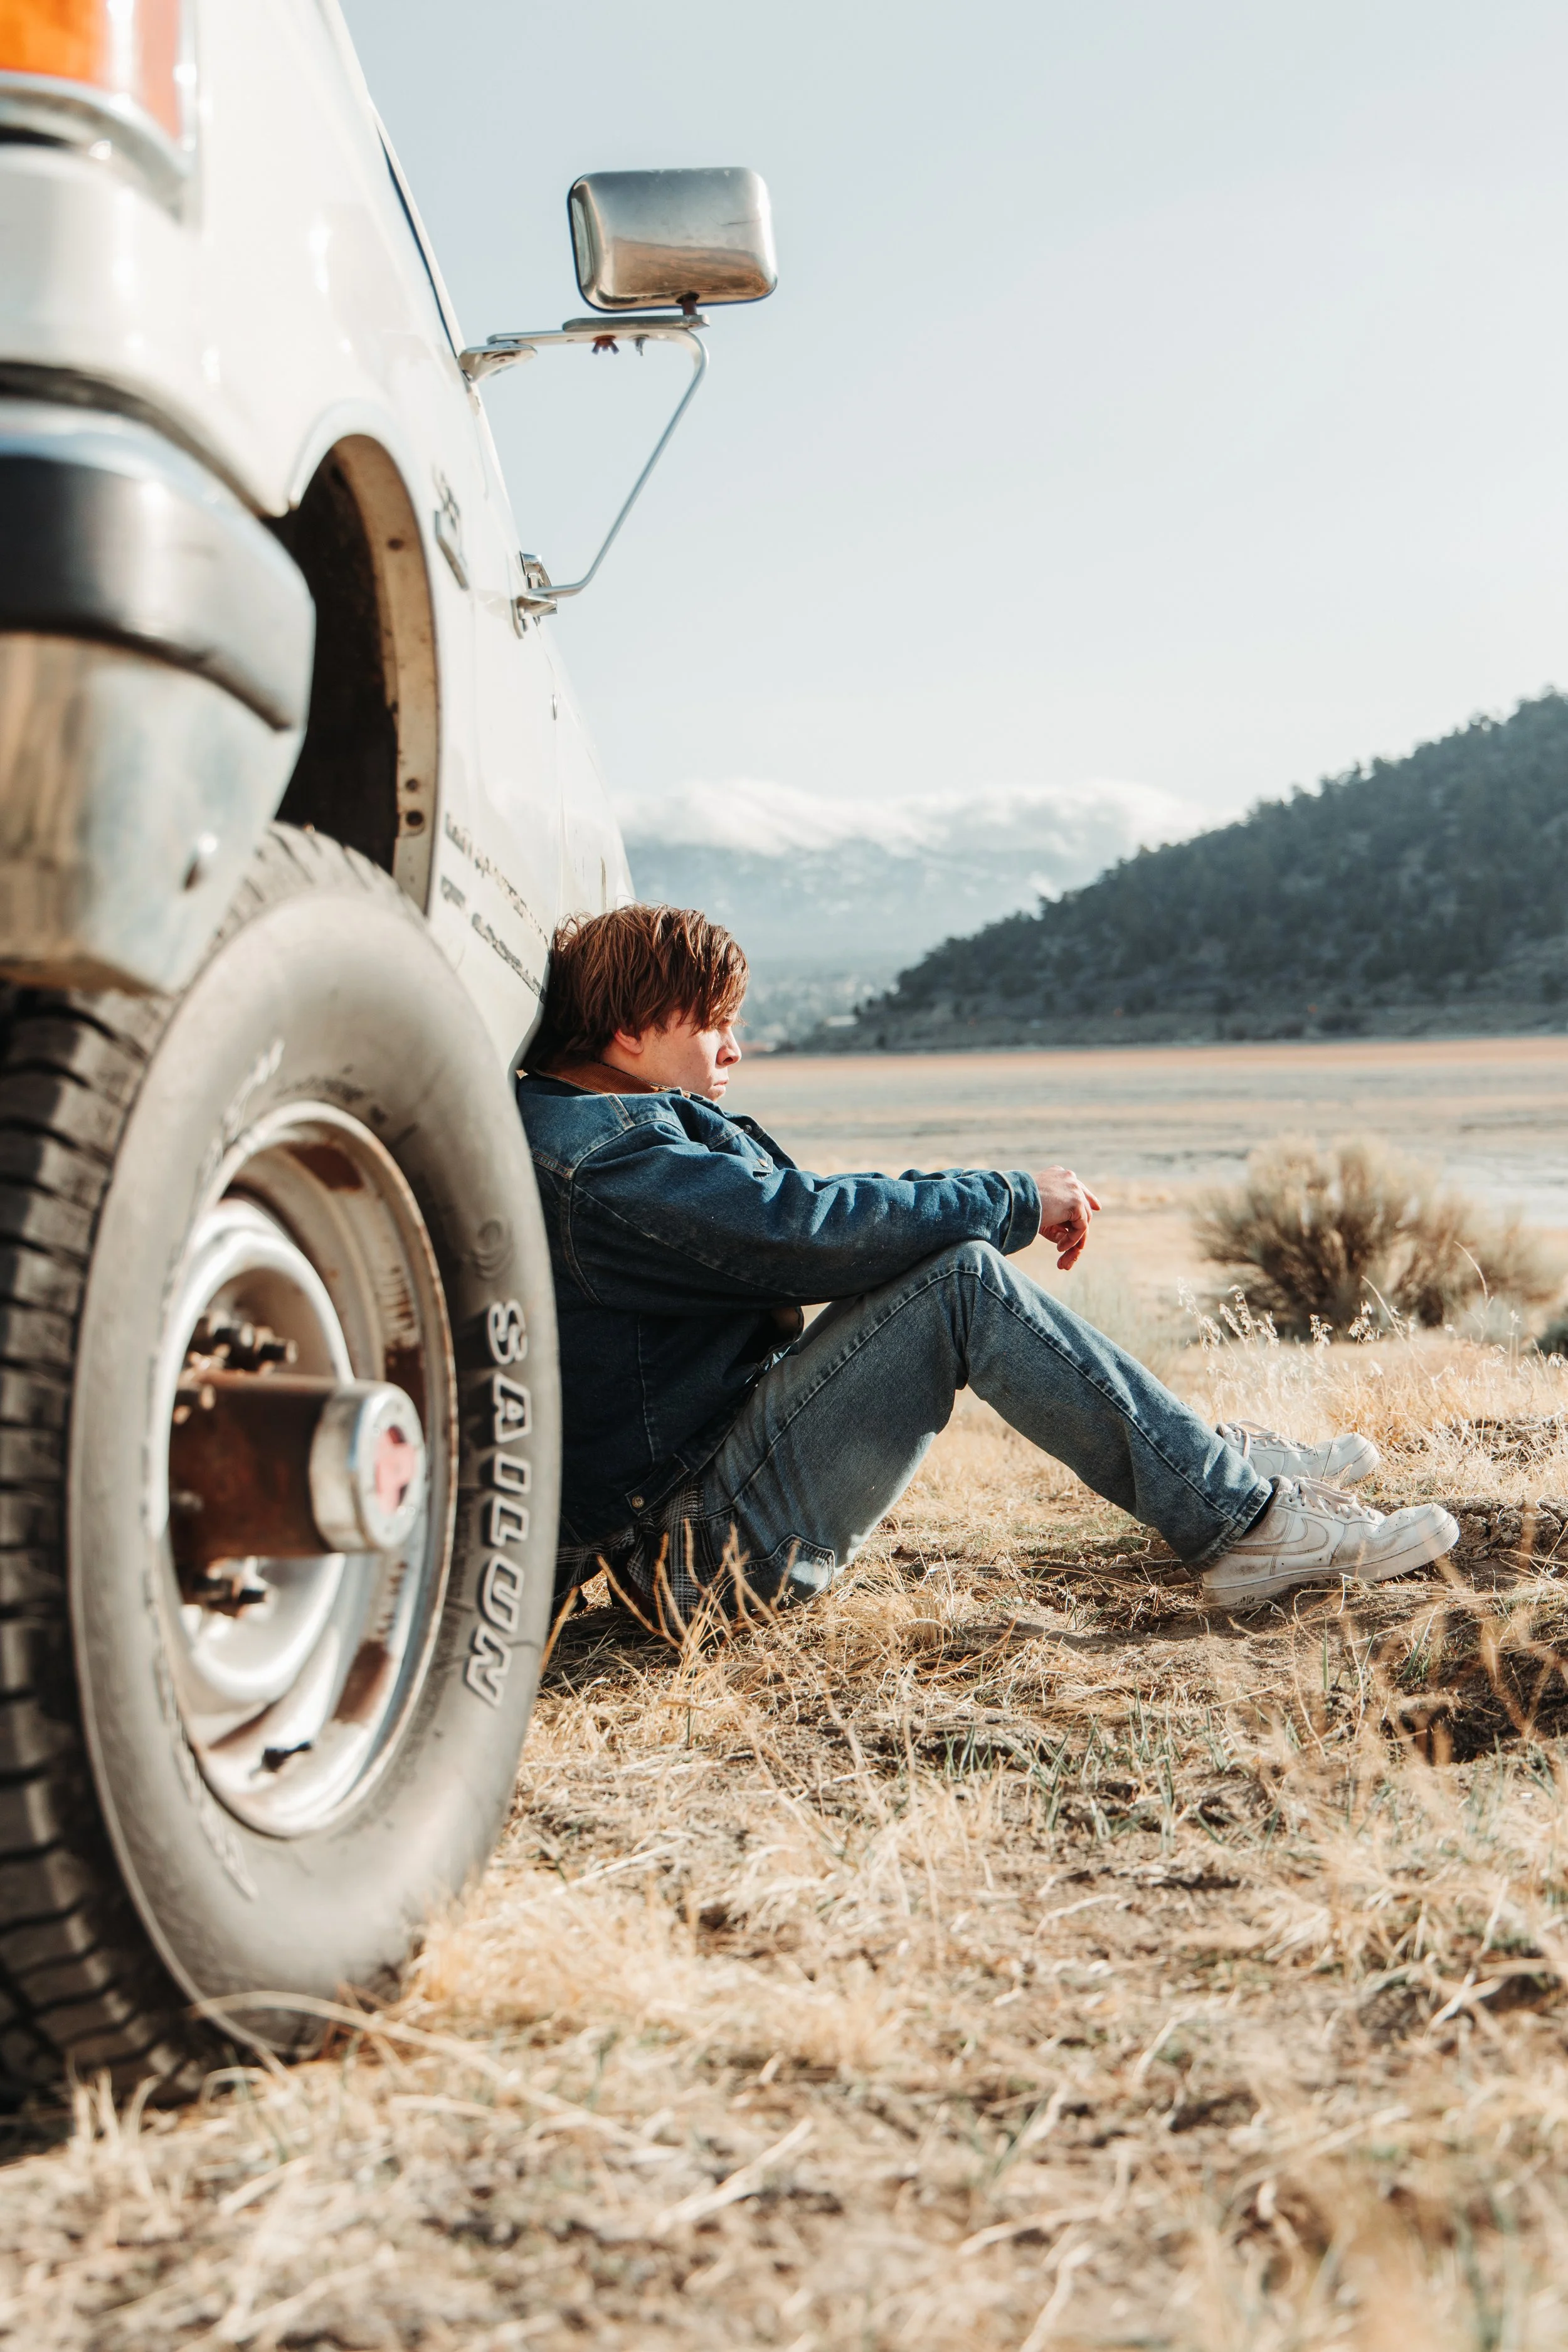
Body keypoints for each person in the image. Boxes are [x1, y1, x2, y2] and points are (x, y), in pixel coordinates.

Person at [517, 904, 1458, 1629]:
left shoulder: (611, 1129)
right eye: (713, 1020)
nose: (735, 1044)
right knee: (963, 1280)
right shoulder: (606, 1163)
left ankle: (1200, 1458)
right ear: (631, 1033)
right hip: (700, 1554)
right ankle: (1243, 1526)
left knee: (941, 1260)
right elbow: (803, 1229)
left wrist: (990, 1196)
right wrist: (1010, 1197)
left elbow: (825, 1217)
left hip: (706, 1509)